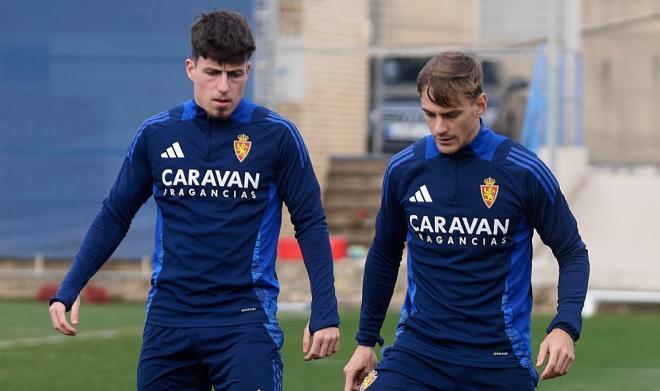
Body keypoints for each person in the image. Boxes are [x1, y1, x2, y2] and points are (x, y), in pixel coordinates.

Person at [48, 9, 340, 391]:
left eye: (234, 74)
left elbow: (310, 223)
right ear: (191, 68)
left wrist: (326, 309)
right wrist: (70, 287)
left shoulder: (277, 136)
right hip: (169, 320)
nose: (223, 87)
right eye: (212, 72)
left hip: (245, 321)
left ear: (247, 73)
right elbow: (115, 214)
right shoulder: (156, 134)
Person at [343, 51, 589, 391]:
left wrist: (565, 326)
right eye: (429, 115)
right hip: (418, 354)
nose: (439, 127)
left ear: (480, 104)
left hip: (498, 359)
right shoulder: (404, 169)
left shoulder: (523, 171)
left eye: (451, 114)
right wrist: (365, 340)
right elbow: (385, 253)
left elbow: (572, 251)